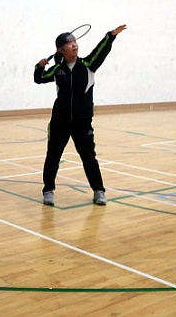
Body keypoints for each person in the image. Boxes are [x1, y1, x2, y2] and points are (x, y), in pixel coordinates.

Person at [34, 24, 127, 207]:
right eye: (69, 43)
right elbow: (39, 78)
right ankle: (48, 190)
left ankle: (99, 190)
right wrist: (39, 66)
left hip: (82, 122)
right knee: (53, 156)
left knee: (89, 157)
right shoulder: (57, 70)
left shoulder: (88, 65)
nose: (74, 45)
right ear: (61, 50)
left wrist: (111, 35)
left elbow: (101, 51)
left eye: (75, 42)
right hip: (60, 121)